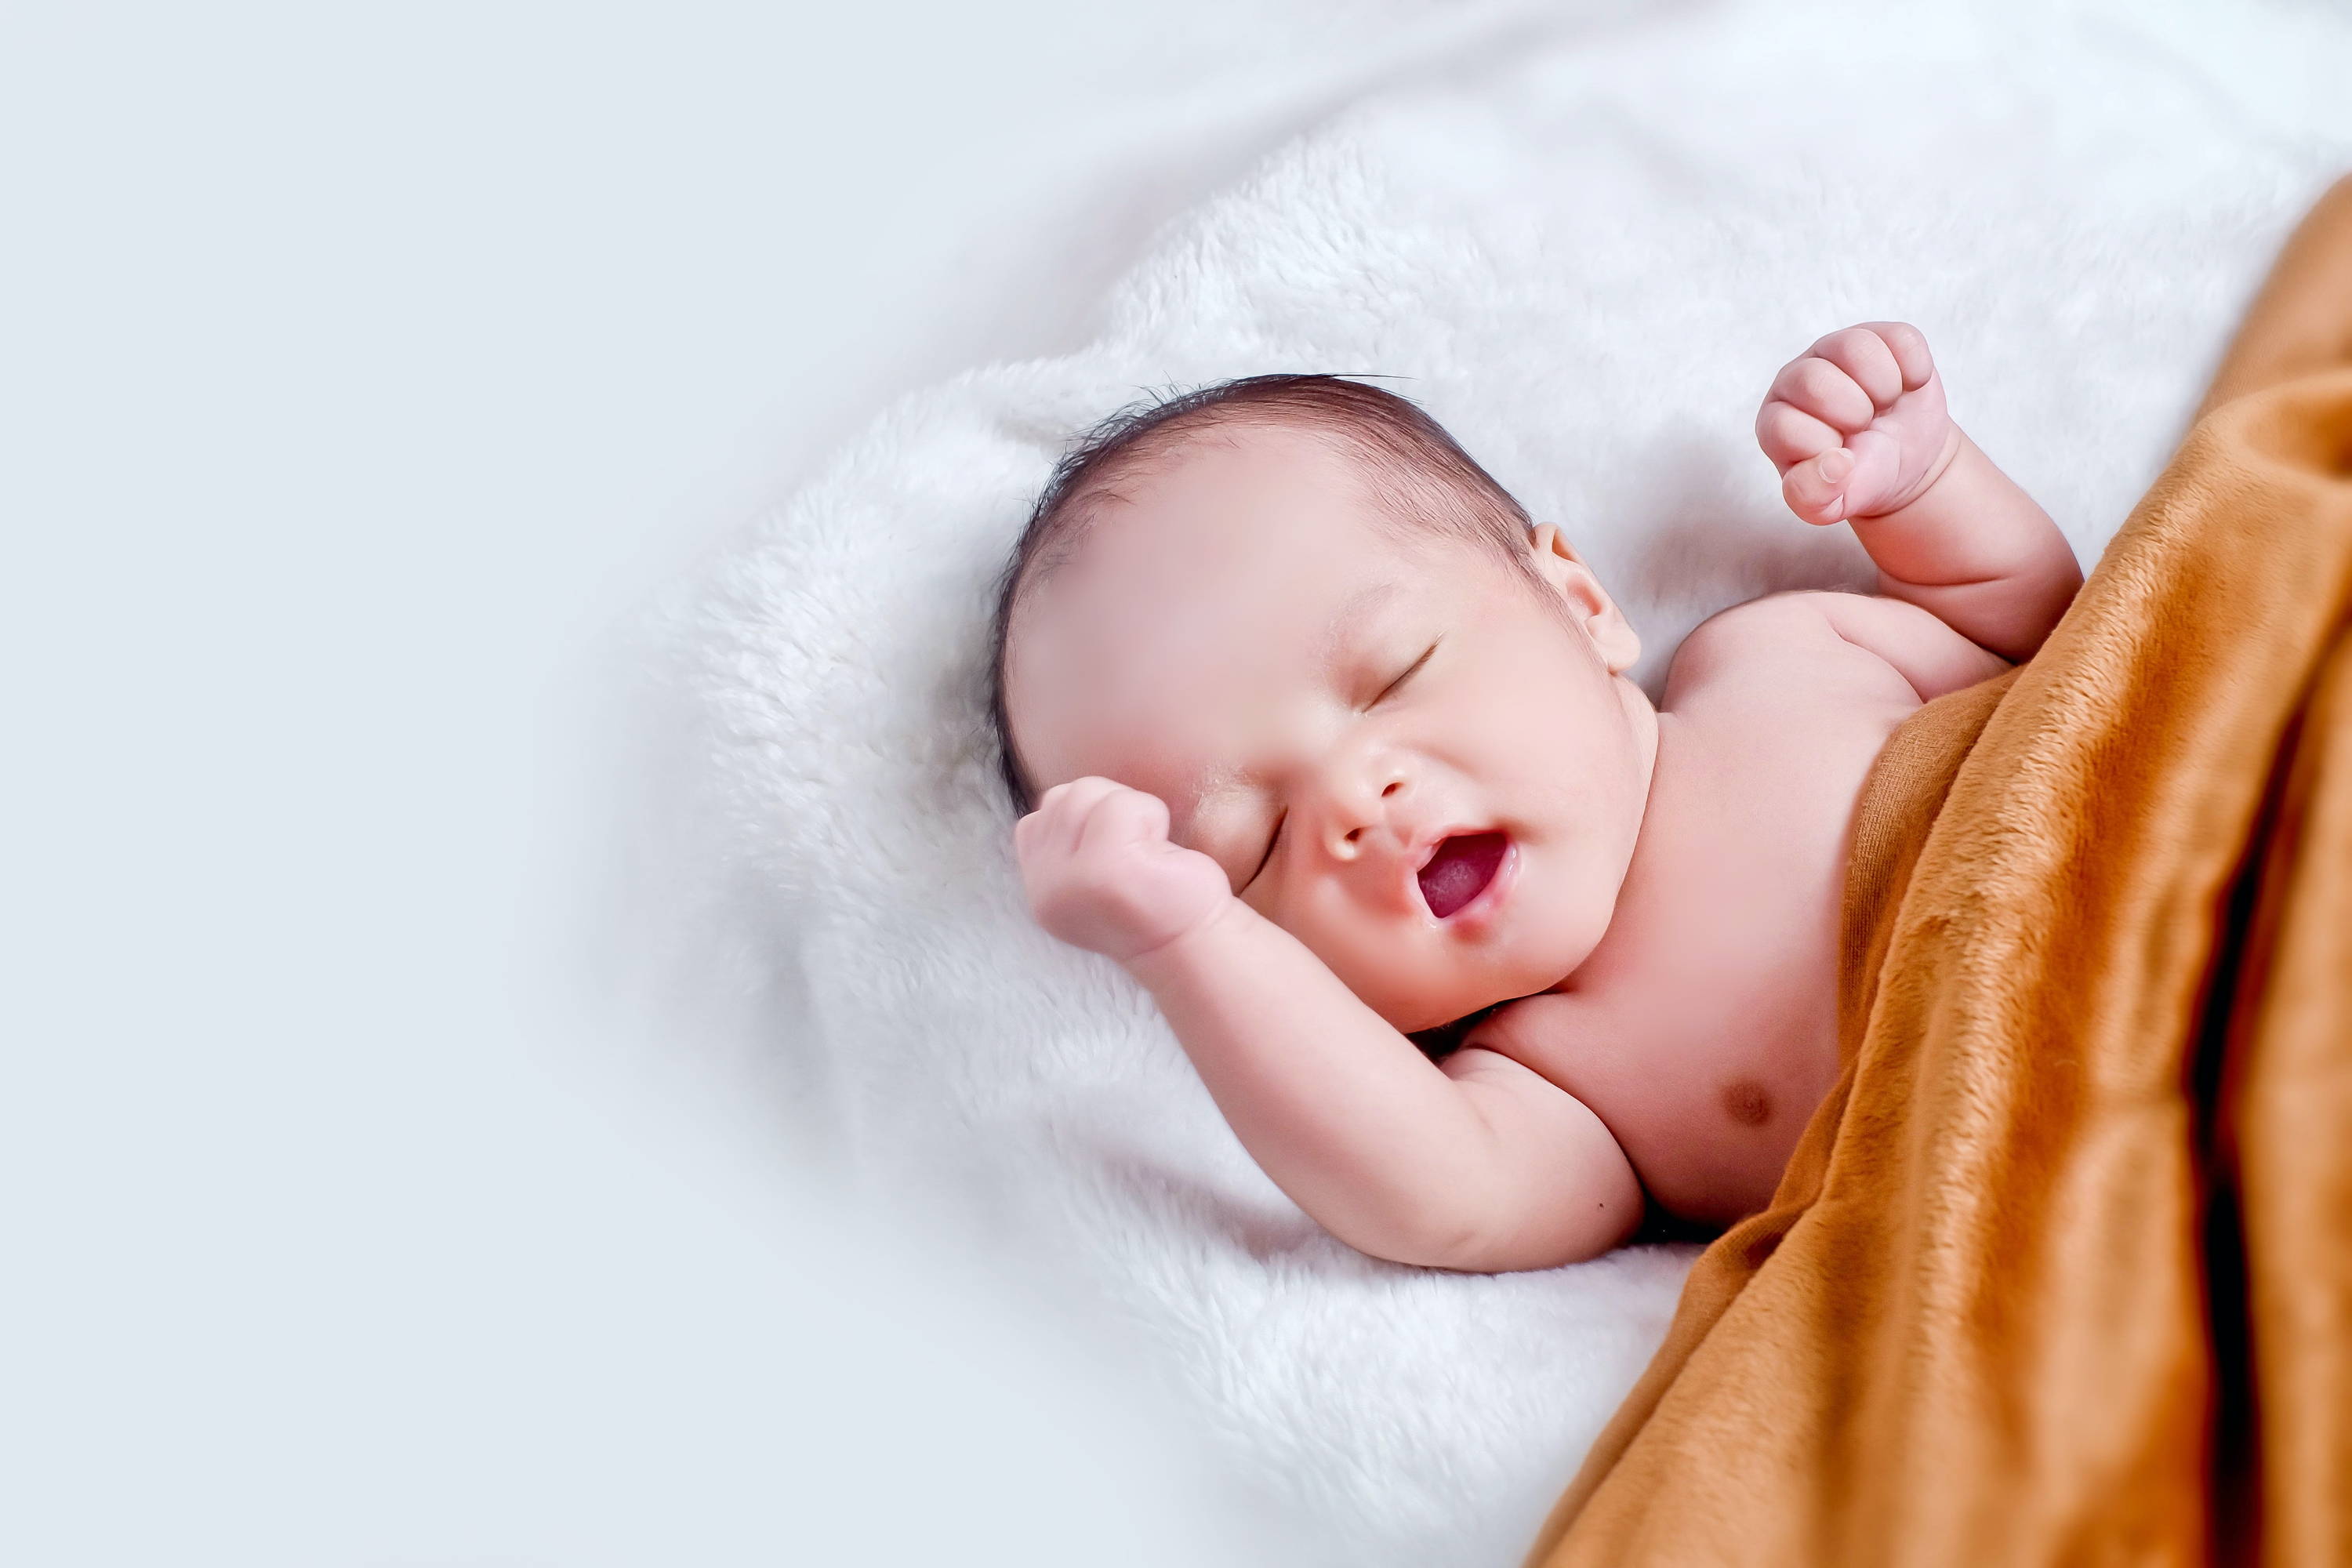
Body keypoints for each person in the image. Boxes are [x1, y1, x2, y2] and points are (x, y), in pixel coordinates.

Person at [986, 324, 2082, 1272]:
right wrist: (1183, 942)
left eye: (1394, 675)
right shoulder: (1560, 1087)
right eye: (1255, 846)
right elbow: (1434, 1199)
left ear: (1579, 598)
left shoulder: (1780, 655)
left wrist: (1927, 483)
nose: (1359, 803)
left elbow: (2041, 642)